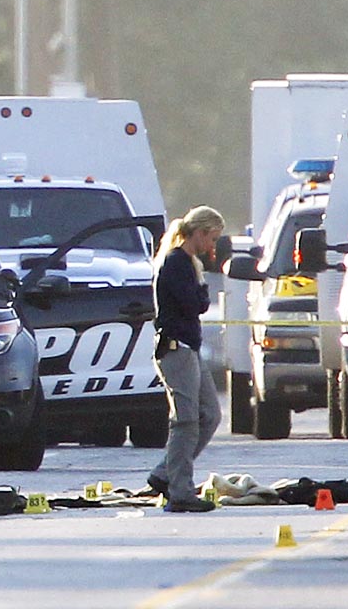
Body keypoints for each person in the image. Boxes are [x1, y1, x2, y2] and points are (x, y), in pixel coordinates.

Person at [146, 205, 225, 513]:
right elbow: (195, 304)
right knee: (186, 420)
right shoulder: (177, 262)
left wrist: (201, 292)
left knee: (210, 414)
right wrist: (203, 292)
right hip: (175, 348)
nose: (213, 246)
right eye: (213, 238)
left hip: (188, 347)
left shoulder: (188, 263)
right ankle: (180, 491)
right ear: (200, 233)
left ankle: (166, 473)